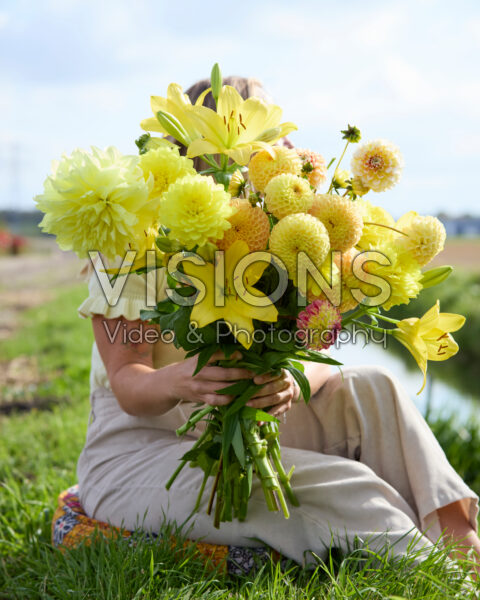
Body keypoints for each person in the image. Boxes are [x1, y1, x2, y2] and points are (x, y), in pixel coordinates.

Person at [76, 76, 480, 571]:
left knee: (376, 387)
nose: (287, 150)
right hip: (141, 454)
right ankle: (434, 574)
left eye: (281, 138)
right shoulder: (135, 242)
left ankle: (462, 544)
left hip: (238, 431)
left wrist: (288, 379)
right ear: (200, 142)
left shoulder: (276, 234)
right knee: (346, 489)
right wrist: (185, 380)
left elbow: (322, 368)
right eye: (269, 139)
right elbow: (126, 384)